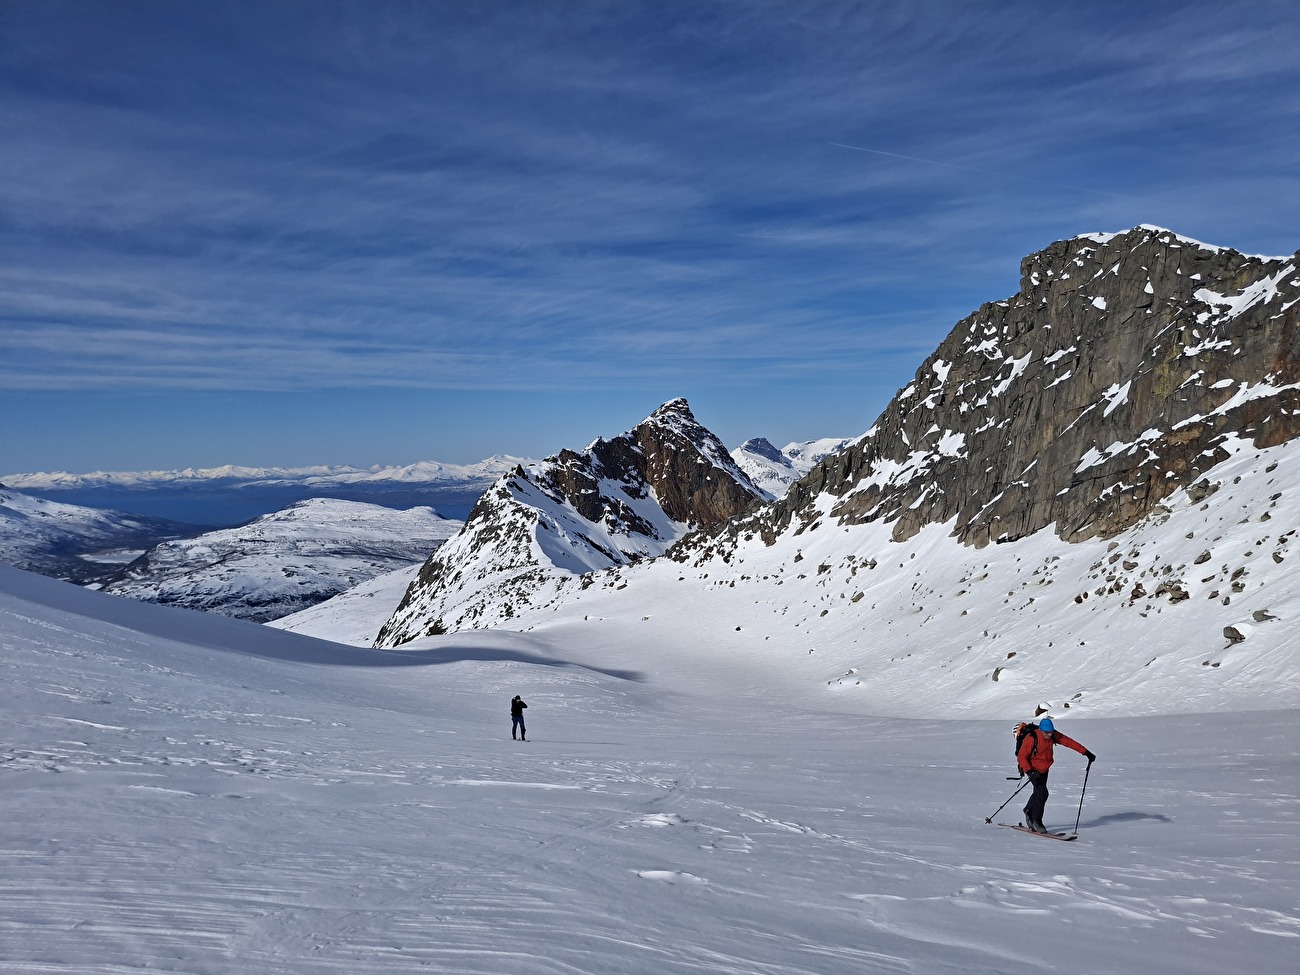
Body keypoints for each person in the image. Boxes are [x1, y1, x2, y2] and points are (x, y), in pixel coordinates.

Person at [1016, 716, 1095, 832]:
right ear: (1041, 730)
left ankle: (1028, 810)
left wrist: (1086, 752)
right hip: (1032, 769)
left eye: (1051, 732)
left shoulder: (1053, 735)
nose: (1049, 734)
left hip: (1044, 768)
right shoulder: (1031, 738)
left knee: (1038, 792)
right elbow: (1021, 756)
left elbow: (1068, 741)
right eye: (1047, 732)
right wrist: (1029, 771)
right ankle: (1036, 820)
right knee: (1042, 793)